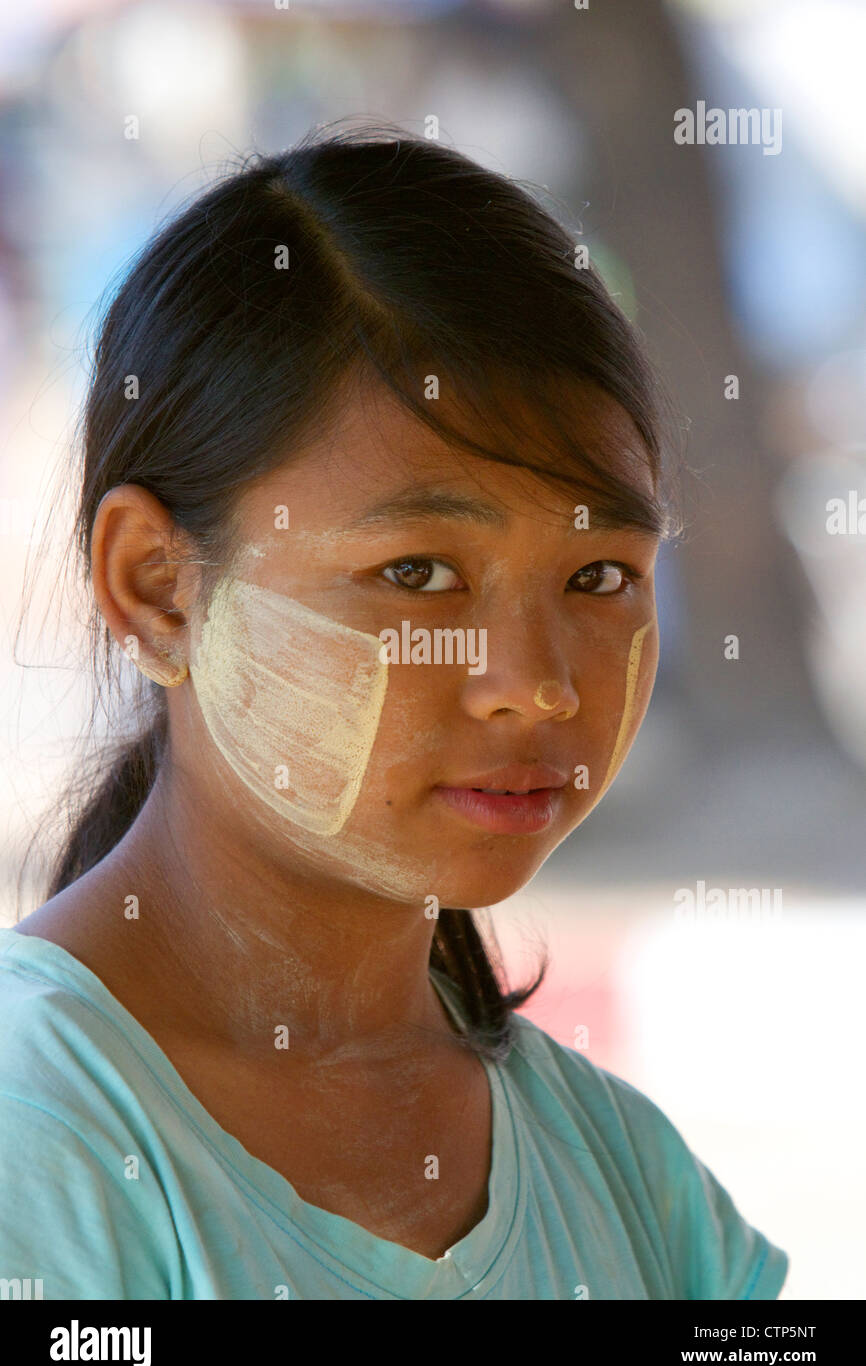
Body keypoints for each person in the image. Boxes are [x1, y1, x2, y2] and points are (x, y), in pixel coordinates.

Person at [0, 121, 788, 1300]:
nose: (533, 680)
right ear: (157, 591)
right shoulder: (39, 1141)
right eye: (418, 572)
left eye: (597, 577)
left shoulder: (630, 1181)